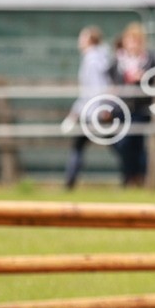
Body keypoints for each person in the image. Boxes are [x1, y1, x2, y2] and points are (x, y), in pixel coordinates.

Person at [107, 22, 155, 187]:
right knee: (122, 144)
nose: (133, 44)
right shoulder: (118, 60)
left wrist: (145, 76)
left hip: (140, 110)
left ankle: (134, 178)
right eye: (130, 40)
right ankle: (132, 176)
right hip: (120, 109)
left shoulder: (149, 58)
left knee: (133, 144)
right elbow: (109, 79)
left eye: (136, 40)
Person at [61, 26, 113, 190]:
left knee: (80, 146)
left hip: (93, 111)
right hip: (93, 110)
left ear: (90, 40)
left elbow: (95, 88)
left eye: (82, 38)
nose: (79, 41)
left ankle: (69, 181)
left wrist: (77, 112)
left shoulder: (92, 60)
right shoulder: (99, 58)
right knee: (114, 142)